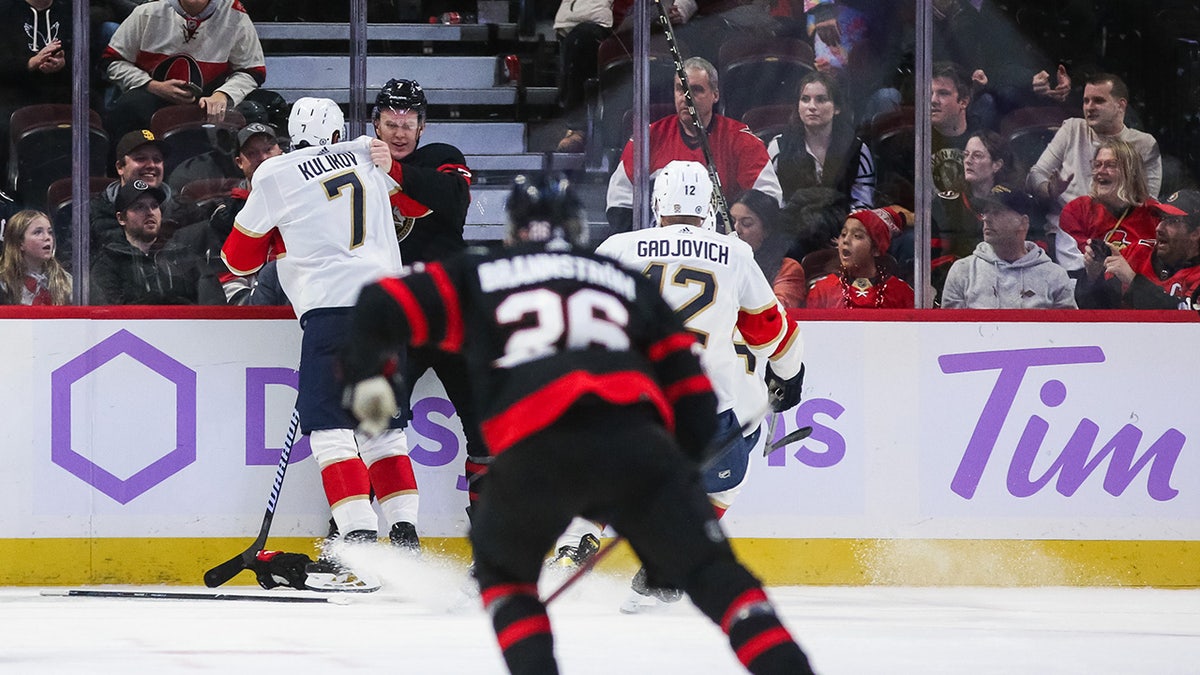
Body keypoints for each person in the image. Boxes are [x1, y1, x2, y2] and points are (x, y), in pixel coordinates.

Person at [339, 173, 816, 675]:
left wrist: (369, 377)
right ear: (575, 227)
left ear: (512, 231)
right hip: (635, 440)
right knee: (715, 576)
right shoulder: (619, 279)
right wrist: (677, 473)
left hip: (534, 448)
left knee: (507, 578)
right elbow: (691, 391)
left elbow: (379, 302)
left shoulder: (485, 271)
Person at [221, 97, 421, 587]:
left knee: (333, 431)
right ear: (338, 132)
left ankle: (356, 541)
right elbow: (418, 205)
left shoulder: (275, 172)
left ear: (292, 135)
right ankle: (405, 537)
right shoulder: (369, 153)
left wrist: (277, 242)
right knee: (383, 431)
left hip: (332, 313)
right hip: (390, 310)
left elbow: (239, 260)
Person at [595, 160, 806, 612]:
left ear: (656, 204)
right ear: (709, 206)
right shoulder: (735, 253)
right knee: (727, 481)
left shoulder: (618, 246)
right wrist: (790, 374)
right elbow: (771, 329)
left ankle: (573, 543)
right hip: (702, 411)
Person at [371, 78, 488, 523]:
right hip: (398, 314)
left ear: (422, 126)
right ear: (375, 125)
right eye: (390, 123)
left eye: (408, 123)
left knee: (484, 428)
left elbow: (453, 204)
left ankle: (488, 539)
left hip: (454, 312)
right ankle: (354, 531)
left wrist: (395, 173)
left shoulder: (443, 158)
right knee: (373, 422)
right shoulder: (357, 165)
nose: (399, 132)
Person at [605, 56, 782, 232]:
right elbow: (619, 202)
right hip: (659, 243)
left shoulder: (742, 141)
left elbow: (768, 201)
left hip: (720, 245)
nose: (686, 97)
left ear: (715, 95)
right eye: (680, 90)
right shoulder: (648, 138)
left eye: (696, 90)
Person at [1026, 73, 1162, 271]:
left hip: (1121, 235)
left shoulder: (1144, 144)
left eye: (1098, 101)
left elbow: (1149, 204)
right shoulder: (1072, 128)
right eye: (1086, 101)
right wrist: (1049, 190)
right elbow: (1035, 174)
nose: (1089, 107)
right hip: (1065, 234)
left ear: (1121, 105)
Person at [100, 0, 267, 149]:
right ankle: (125, 177)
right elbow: (112, 61)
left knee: (258, 109)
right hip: (151, 96)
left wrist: (223, 94)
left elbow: (253, 71)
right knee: (128, 106)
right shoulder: (147, 11)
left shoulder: (236, 16)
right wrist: (152, 85)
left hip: (209, 99)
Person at [174, 120, 282, 305]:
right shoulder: (227, 217)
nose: (263, 158)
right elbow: (229, 280)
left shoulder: (304, 199)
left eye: (268, 149)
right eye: (252, 153)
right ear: (239, 163)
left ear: (281, 152)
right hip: (257, 314)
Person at [940, 188, 1076, 309]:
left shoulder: (1055, 276)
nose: (986, 219)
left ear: (1023, 223)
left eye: (997, 212)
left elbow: (1069, 333)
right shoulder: (962, 271)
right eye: (985, 212)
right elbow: (950, 333)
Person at [90, 179, 220, 304]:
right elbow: (110, 316)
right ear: (121, 218)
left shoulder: (182, 256)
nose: (150, 212)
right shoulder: (108, 262)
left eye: (154, 206)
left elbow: (214, 305)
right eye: (139, 207)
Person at [1057, 138, 1164, 281]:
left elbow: (1168, 271)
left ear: (1131, 172)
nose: (1100, 171)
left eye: (1111, 165)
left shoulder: (1156, 214)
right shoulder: (1077, 211)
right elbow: (1072, 275)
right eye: (1097, 165)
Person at [767, 70, 875, 213]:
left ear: (837, 108)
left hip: (842, 229)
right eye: (805, 99)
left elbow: (864, 205)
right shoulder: (778, 147)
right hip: (791, 229)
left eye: (821, 99)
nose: (812, 106)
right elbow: (770, 202)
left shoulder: (857, 149)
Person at [1075, 189, 1200, 311]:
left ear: (1196, 233)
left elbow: (1185, 320)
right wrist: (1093, 276)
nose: (1159, 228)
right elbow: (1092, 310)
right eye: (1162, 218)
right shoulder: (1136, 253)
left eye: (1172, 221)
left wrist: (1133, 280)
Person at [0, 0, 73, 179]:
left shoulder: (70, 11)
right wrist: (30, 63)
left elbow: (89, 56)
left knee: (92, 109)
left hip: (60, 90)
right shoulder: (5, 10)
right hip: (15, 90)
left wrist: (64, 63)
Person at [89, 130, 184, 256]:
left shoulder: (184, 209)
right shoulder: (92, 213)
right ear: (120, 167)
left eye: (157, 159)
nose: (151, 165)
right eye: (141, 159)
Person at [934, 130, 1019, 261]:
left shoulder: (1014, 202)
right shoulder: (945, 203)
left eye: (977, 156)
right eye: (966, 155)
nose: (968, 161)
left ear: (997, 165)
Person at [807, 206, 915, 308]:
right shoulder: (822, 290)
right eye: (844, 234)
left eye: (857, 236)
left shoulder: (901, 292)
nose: (845, 240)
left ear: (876, 249)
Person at [731, 188, 807, 308]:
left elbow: (778, 312)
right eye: (732, 222)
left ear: (767, 230)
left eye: (746, 223)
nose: (736, 230)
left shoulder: (788, 269)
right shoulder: (720, 263)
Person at [0, 209, 72, 305]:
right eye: (38, 232)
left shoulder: (65, 281)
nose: (47, 238)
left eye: (50, 232)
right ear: (20, 242)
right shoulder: (4, 282)